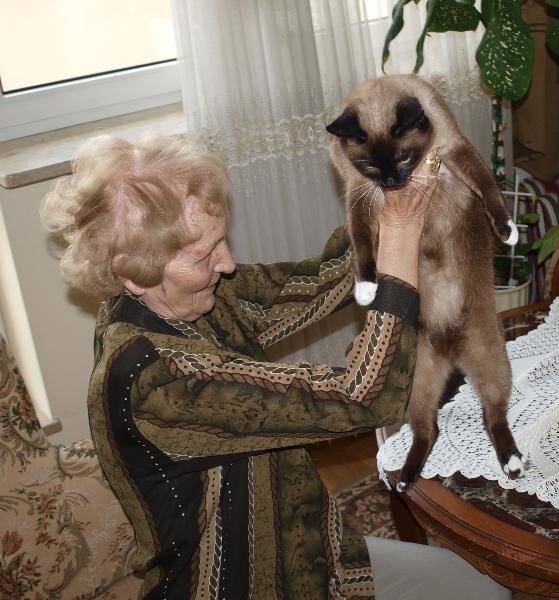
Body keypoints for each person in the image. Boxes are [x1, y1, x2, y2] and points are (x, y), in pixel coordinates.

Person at [41, 134, 511, 600]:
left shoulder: (186, 297)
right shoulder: (153, 382)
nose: (227, 263)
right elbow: (366, 398)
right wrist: (403, 232)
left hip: (307, 552)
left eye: (220, 241)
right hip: (245, 586)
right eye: (203, 255)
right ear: (130, 271)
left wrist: (392, 189)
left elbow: (321, 279)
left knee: (481, 586)